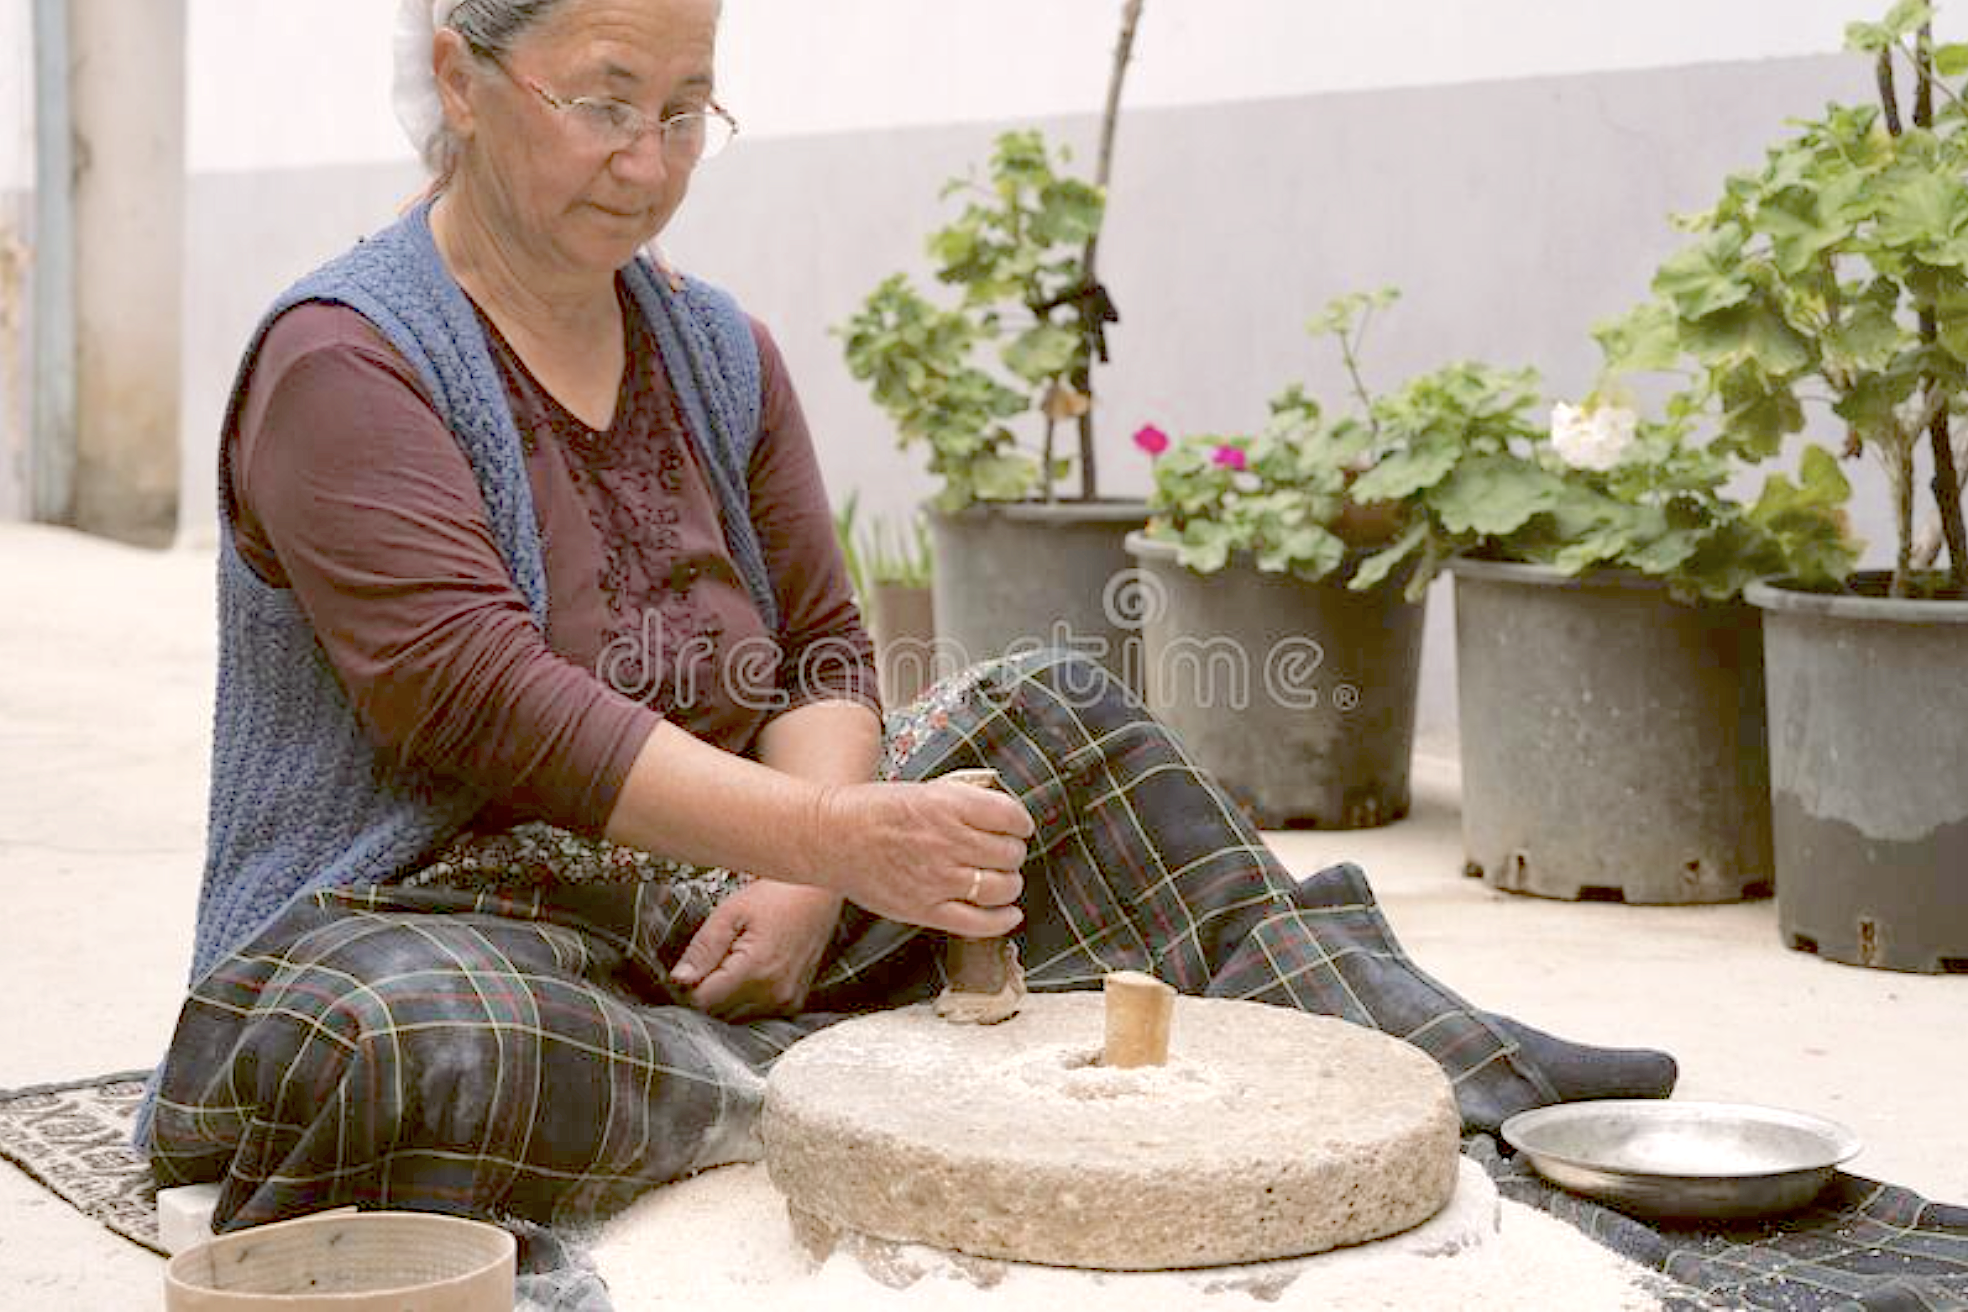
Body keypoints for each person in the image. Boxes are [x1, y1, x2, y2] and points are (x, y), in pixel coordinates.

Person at [140, 0, 1675, 1235]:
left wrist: (814, 873)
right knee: (411, 1047)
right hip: (424, 926)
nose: (652, 159)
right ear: (461, 80)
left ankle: (1441, 1062)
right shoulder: (349, 359)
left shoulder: (716, 348)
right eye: (607, 101)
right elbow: (475, 695)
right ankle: (821, 1091)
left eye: (689, 109)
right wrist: (830, 843)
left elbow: (818, 651)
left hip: (714, 910)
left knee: (1058, 719)